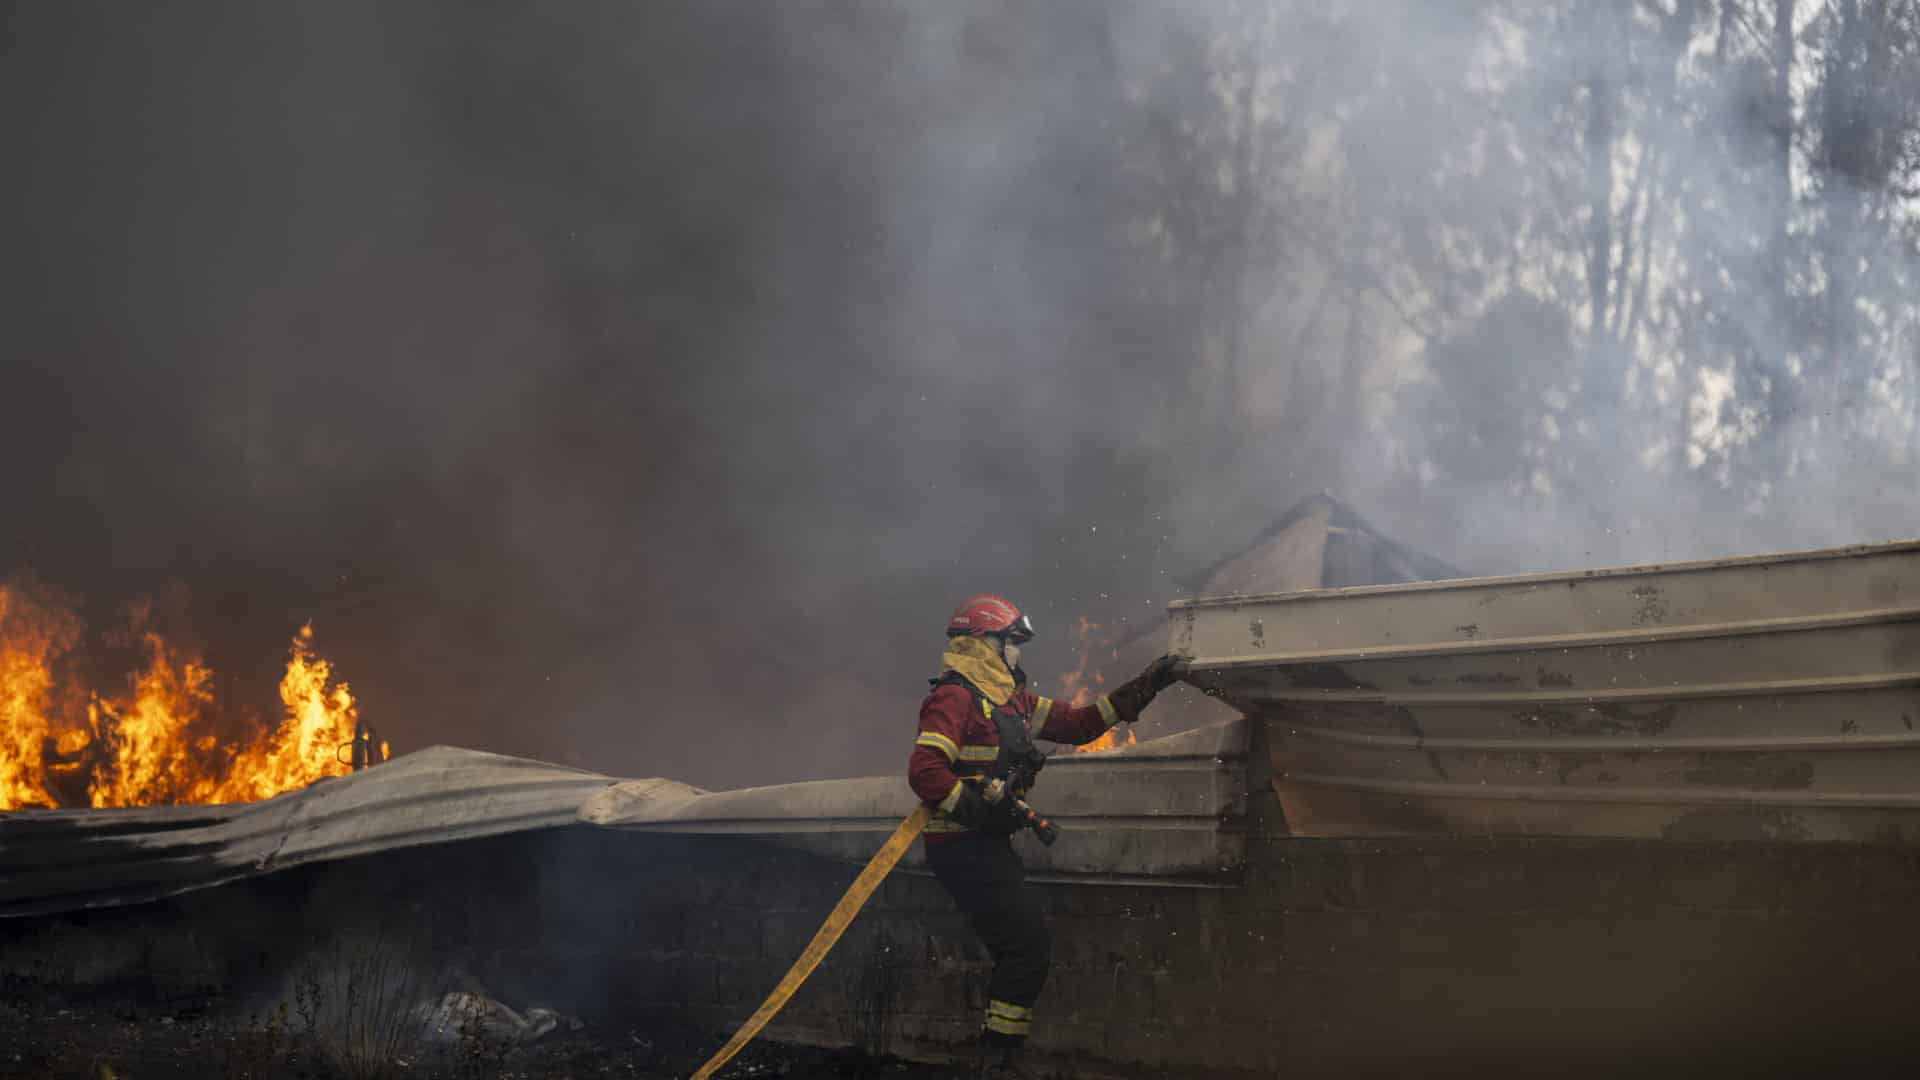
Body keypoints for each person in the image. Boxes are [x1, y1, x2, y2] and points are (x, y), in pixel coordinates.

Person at [907, 594, 1183, 1078]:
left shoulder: (1009, 699)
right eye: (1012, 642)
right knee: (1027, 949)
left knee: (1023, 949)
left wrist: (1149, 685)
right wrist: (978, 813)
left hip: (986, 844)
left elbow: (1077, 725)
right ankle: (995, 1061)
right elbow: (926, 770)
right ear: (983, 642)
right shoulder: (956, 697)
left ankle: (997, 1057)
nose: (1018, 652)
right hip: (961, 847)